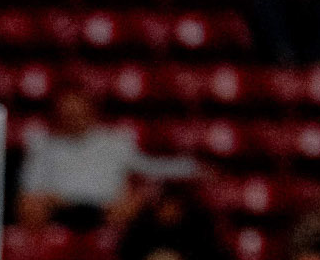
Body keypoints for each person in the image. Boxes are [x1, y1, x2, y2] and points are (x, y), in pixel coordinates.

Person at [16, 91, 194, 231]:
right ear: (57, 115)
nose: (73, 118)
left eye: (78, 113)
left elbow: (151, 167)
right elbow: (29, 190)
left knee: (133, 205)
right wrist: (46, 199)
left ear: (91, 111)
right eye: (67, 114)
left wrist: (194, 167)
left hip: (106, 211)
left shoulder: (115, 143)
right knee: (30, 206)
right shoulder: (42, 146)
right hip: (59, 210)